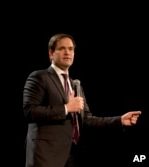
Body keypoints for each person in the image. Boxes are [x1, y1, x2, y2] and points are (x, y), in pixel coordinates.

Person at [22, 33, 142, 167]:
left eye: (71, 49)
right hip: (45, 156)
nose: (67, 52)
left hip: (72, 156)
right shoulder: (39, 77)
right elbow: (30, 111)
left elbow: (86, 120)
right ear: (51, 53)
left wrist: (119, 120)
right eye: (62, 48)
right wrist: (67, 108)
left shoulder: (75, 84)